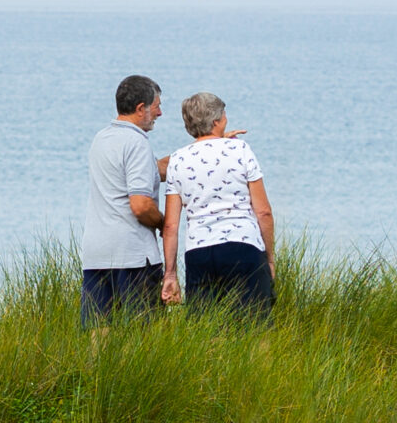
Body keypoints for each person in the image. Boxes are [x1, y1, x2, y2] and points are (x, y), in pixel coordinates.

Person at [162, 92, 274, 317]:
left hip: (198, 253)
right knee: (255, 329)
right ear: (215, 122)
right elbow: (263, 212)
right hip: (243, 247)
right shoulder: (240, 149)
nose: (226, 119)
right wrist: (269, 258)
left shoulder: (177, 160)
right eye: (224, 116)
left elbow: (170, 227)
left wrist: (171, 274)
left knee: (207, 334)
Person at [80, 74, 166, 324]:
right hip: (132, 255)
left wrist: (207, 147)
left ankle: (96, 367)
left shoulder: (102, 139)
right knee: (142, 335)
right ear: (141, 109)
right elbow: (140, 205)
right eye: (157, 106)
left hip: (97, 253)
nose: (159, 114)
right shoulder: (137, 143)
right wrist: (163, 223)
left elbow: (155, 169)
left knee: (99, 331)